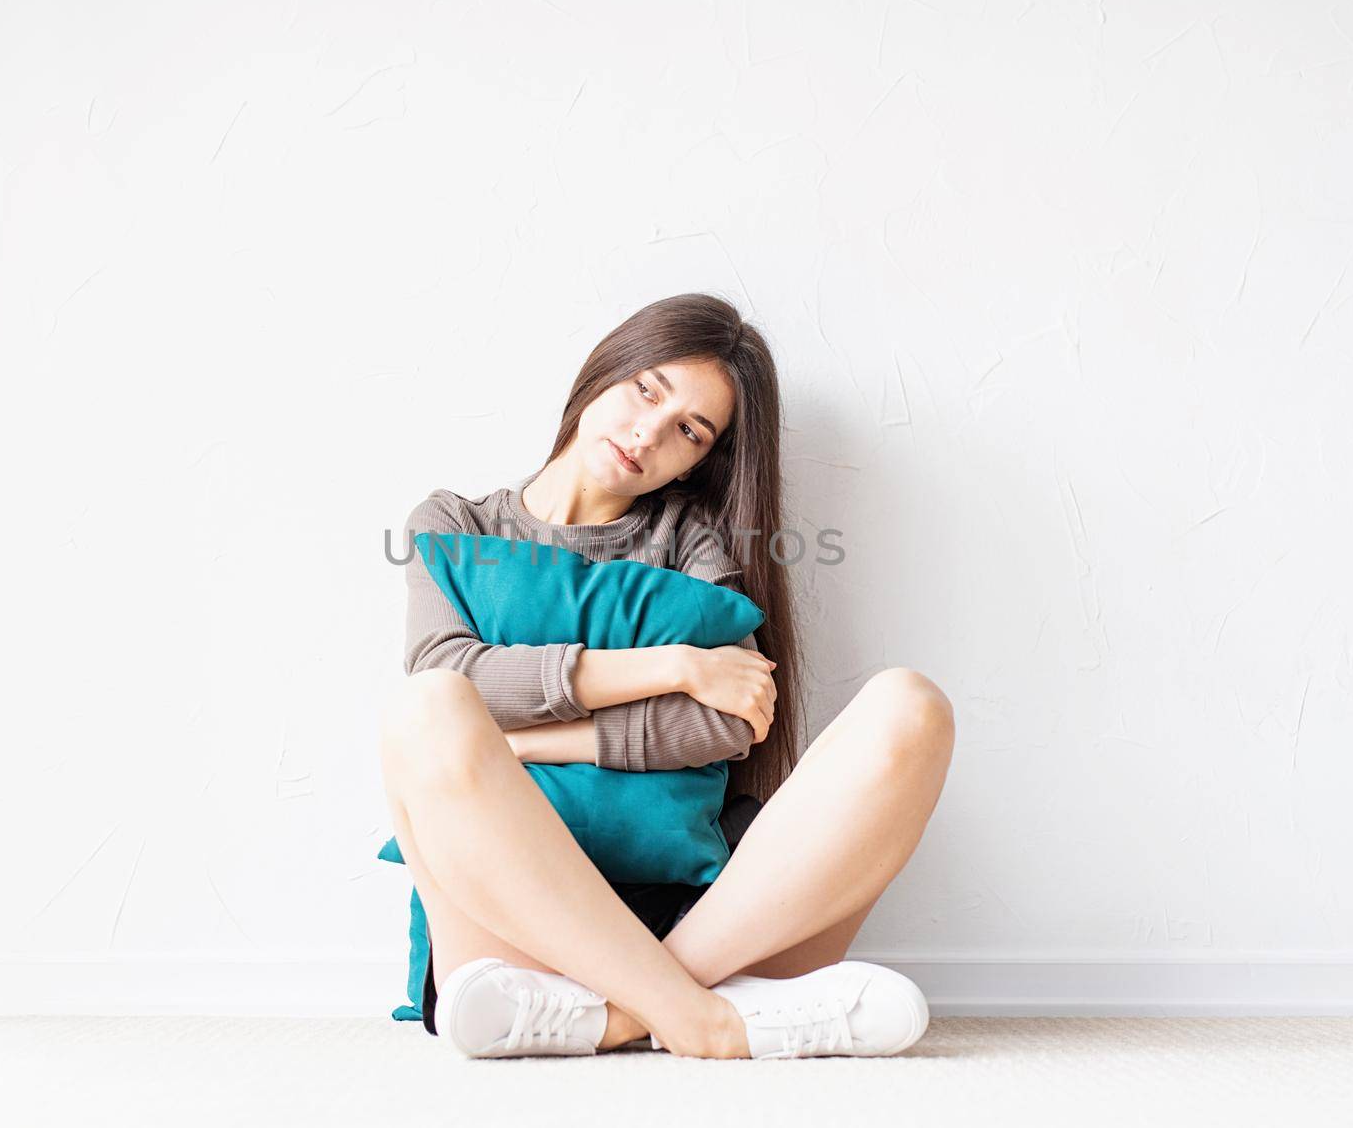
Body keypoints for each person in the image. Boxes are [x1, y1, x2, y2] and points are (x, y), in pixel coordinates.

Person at [379, 293, 956, 1060]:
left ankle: (632, 1009)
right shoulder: (455, 524)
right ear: (605, 368)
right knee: (426, 709)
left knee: (911, 708)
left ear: (703, 457)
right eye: (647, 388)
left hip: (707, 929)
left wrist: (528, 745)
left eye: (689, 429)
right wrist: (675, 665)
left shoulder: (694, 544)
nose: (648, 431)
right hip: (510, 936)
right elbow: (454, 674)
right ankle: (706, 1018)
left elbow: (729, 719)